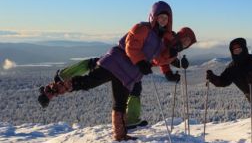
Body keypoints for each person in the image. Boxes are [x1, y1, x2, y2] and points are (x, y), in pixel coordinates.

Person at [37, 1, 179, 141]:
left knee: (120, 103)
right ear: (153, 17)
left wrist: (172, 57)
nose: (163, 21)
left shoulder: (160, 41)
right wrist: (141, 62)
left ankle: (120, 135)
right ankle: (51, 90)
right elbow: (131, 46)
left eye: (166, 19)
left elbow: (159, 59)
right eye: (160, 17)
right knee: (87, 82)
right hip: (115, 64)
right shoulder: (143, 28)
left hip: (128, 75)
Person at [43, 27, 196, 130]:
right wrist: (173, 60)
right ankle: (64, 75)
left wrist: (171, 69)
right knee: (96, 65)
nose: (186, 43)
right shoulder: (168, 37)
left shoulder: (175, 48)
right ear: (181, 35)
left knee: (134, 87)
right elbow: (158, 54)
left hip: (133, 67)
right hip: (126, 58)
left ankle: (131, 119)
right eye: (186, 39)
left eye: (189, 42)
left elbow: (162, 60)